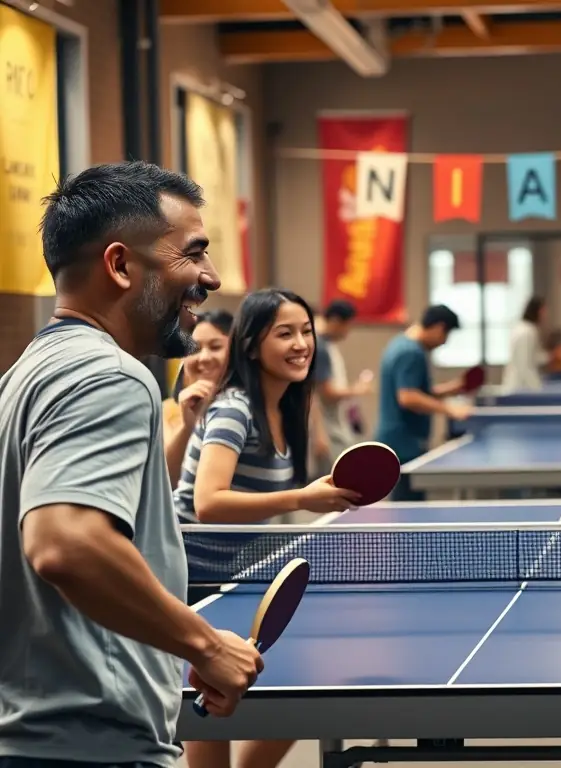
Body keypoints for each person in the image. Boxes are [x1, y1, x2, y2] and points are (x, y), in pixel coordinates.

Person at [0, 161, 262, 768]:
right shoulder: (111, 376)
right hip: (90, 750)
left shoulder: (22, 378)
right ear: (120, 266)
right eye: (192, 254)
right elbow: (64, 542)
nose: (212, 277)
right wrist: (204, 645)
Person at [175, 288, 360, 768]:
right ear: (253, 345)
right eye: (285, 333)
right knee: (209, 713)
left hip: (236, 574)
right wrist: (303, 498)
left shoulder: (288, 407)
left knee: (305, 700)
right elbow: (208, 503)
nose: (302, 344)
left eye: (306, 331)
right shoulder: (234, 408)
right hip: (190, 576)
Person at [375, 304, 473, 501]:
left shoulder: (400, 343)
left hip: (398, 441)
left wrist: (451, 389)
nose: (444, 342)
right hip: (404, 443)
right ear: (438, 327)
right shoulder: (412, 352)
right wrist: (449, 409)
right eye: (447, 335)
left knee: (406, 506)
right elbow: (408, 397)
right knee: (406, 509)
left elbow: (417, 392)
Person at [163, 309, 234, 485]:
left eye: (216, 347)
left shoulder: (248, 408)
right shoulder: (165, 411)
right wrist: (188, 428)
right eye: (194, 349)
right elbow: (164, 482)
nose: (204, 357)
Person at [310, 299, 373, 476]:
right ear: (336, 321)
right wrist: (357, 389)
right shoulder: (320, 347)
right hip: (327, 427)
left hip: (334, 424)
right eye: (348, 326)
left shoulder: (328, 345)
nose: (348, 332)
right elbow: (326, 393)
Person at [501, 295, 549, 392]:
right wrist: (537, 388)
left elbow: (533, 357)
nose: (545, 315)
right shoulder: (528, 332)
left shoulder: (520, 328)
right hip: (520, 387)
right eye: (544, 311)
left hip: (515, 385)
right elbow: (525, 365)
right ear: (537, 311)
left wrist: (549, 357)